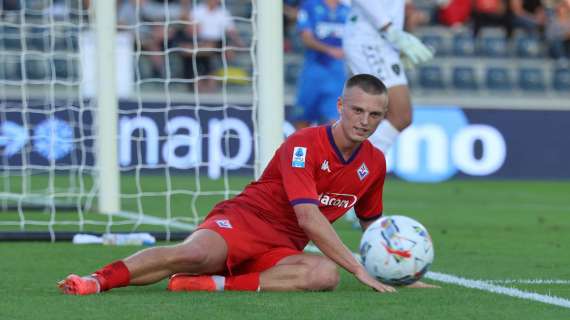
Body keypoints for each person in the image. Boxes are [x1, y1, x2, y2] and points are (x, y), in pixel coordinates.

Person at [58, 74, 433, 295]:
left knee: (324, 275)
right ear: (340, 106)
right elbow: (308, 217)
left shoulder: (375, 162)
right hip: (245, 220)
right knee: (192, 255)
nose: (365, 121)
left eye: (375, 115)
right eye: (357, 110)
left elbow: (372, 225)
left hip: (283, 246)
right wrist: (359, 269)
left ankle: (210, 285)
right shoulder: (304, 143)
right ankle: (96, 280)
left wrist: (397, 267)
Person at [343, 0, 433, 154]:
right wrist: (390, 29)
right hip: (370, 40)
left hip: (383, 41)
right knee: (400, 115)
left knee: (388, 116)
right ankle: (352, 164)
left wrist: (399, 39)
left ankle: (353, 165)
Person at [293, 0, 350, 129]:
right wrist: (329, 50)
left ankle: (325, 149)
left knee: (333, 122)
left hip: (337, 73)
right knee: (303, 121)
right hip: (313, 71)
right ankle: (300, 149)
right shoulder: (310, 6)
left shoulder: (347, 10)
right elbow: (306, 38)